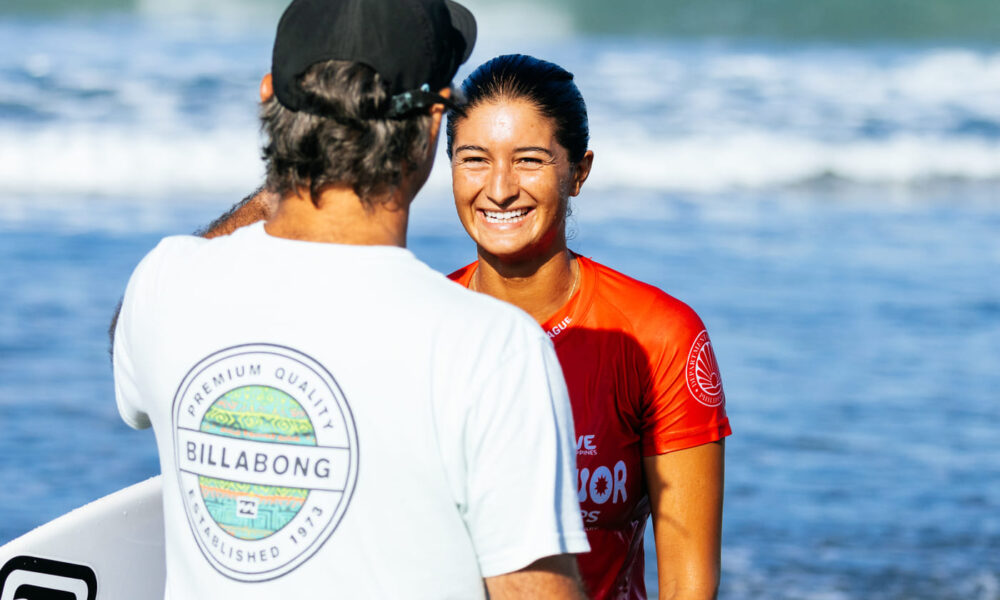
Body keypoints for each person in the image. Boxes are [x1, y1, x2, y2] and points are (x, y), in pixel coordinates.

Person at [111, 4, 591, 598]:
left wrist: (290, 179)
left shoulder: (164, 284)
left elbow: (126, 360)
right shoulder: (490, 347)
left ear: (270, 98)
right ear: (434, 121)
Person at [444, 54, 732, 600]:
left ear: (578, 172)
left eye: (529, 160)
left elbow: (687, 586)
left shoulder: (656, 335)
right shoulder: (421, 327)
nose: (499, 189)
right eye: (474, 159)